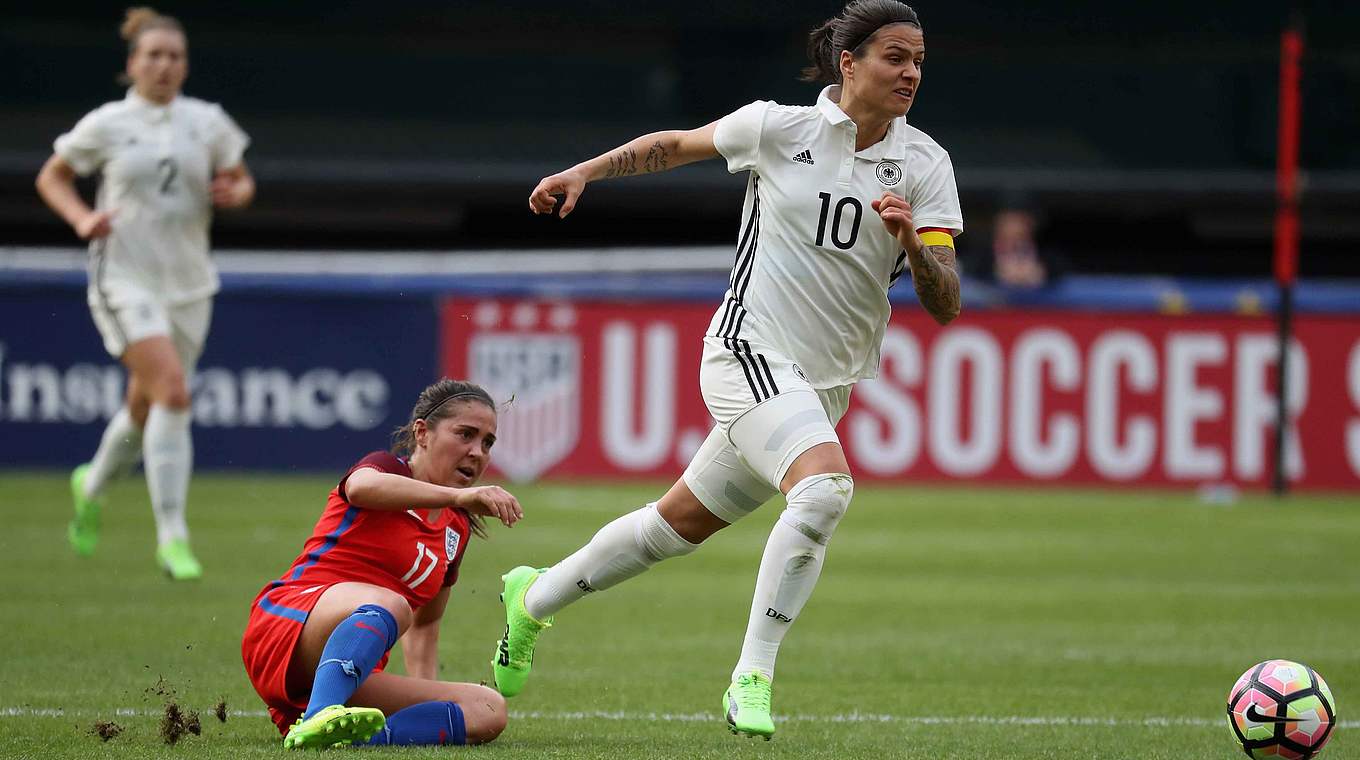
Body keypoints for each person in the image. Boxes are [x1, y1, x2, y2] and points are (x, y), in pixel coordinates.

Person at [494, 0, 962, 740]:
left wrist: (911, 241)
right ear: (850, 63)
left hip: (823, 384)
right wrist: (584, 170)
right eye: (896, 57)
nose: (911, 73)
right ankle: (753, 674)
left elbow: (946, 301)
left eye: (919, 62)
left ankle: (531, 601)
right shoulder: (779, 127)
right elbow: (675, 144)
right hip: (748, 350)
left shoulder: (927, 164)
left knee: (671, 527)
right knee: (824, 491)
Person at [34, 7, 255, 580]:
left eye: (174, 56)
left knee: (144, 403)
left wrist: (237, 190)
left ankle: (92, 485)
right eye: (153, 55)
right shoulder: (107, 122)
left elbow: (240, 178)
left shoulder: (207, 122)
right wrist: (81, 217)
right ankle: (173, 537)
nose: (164, 65)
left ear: (185, 66)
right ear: (133, 63)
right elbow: (51, 176)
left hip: (188, 283)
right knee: (174, 393)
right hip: (123, 278)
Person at [241, 379, 523, 749]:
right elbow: (360, 487)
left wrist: (431, 692)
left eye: (487, 442)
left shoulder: (456, 528)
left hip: (346, 668)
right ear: (422, 433)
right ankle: (319, 715)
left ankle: (342, 738)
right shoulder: (387, 469)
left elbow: (426, 626)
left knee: (488, 709)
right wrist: (461, 495)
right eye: (465, 434)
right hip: (287, 623)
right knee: (392, 603)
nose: (477, 451)